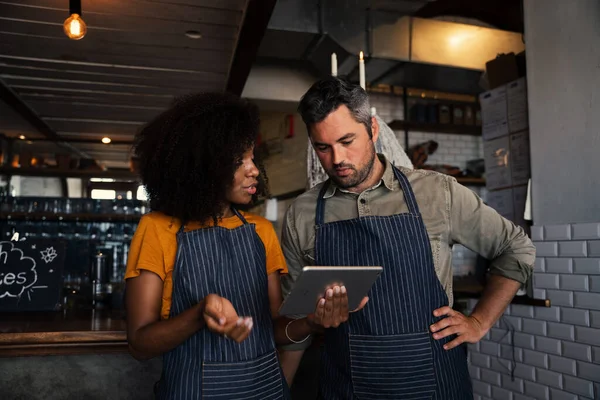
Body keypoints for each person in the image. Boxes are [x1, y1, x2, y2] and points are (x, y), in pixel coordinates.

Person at [277, 77, 536, 399]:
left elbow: (516, 248)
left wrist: (479, 321)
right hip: (348, 386)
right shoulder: (302, 213)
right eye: (323, 147)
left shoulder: (436, 192)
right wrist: (309, 331)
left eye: (347, 141)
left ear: (372, 128)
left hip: (434, 381)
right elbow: (292, 322)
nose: (338, 159)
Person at [124, 92, 294, 399]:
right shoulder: (158, 230)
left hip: (266, 391)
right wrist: (198, 313)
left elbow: (276, 329)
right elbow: (139, 343)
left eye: (252, 157)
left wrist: (311, 321)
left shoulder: (262, 231)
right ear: (202, 166)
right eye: (237, 161)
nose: (253, 169)